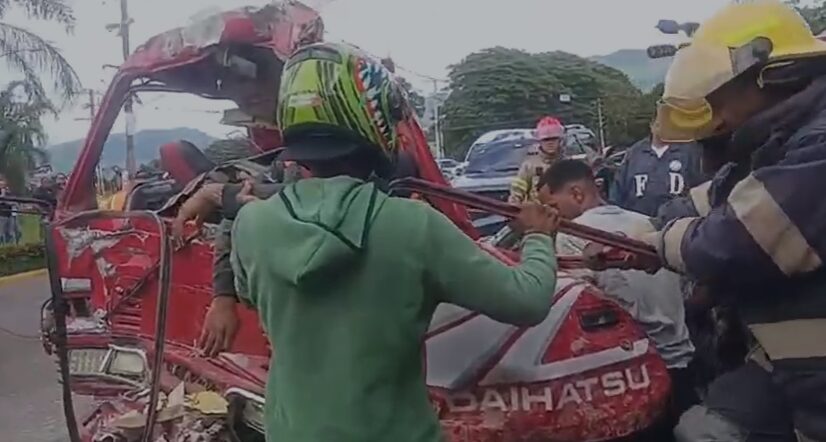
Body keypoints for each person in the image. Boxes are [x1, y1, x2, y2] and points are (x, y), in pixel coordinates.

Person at [177, 42, 560, 442]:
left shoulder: (252, 225)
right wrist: (537, 237)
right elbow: (528, 300)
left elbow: (253, 295)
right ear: (369, 116)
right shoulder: (413, 225)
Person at [605, 2, 826, 440]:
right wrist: (642, 235)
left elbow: (738, 240)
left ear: (773, 75)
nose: (715, 114)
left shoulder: (818, 144)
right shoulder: (782, 139)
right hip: (791, 363)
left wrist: (658, 245)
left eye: (720, 94)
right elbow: (717, 197)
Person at [538, 159, 697, 418]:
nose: (552, 217)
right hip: (683, 363)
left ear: (577, 194)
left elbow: (580, 311)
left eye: (552, 207)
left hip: (636, 373)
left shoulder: (572, 234)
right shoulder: (650, 225)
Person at [609, 121, 705, 216]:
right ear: (652, 125)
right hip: (637, 222)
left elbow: (699, 189)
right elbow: (618, 189)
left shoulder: (688, 152)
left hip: (676, 222)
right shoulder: (635, 153)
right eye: (659, 124)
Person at [508, 116, 565, 204]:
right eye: (546, 140)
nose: (550, 143)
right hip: (537, 214)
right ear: (540, 141)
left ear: (560, 140)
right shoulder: (529, 166)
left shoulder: (568, 164)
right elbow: (517, 193)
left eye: (553, 139)